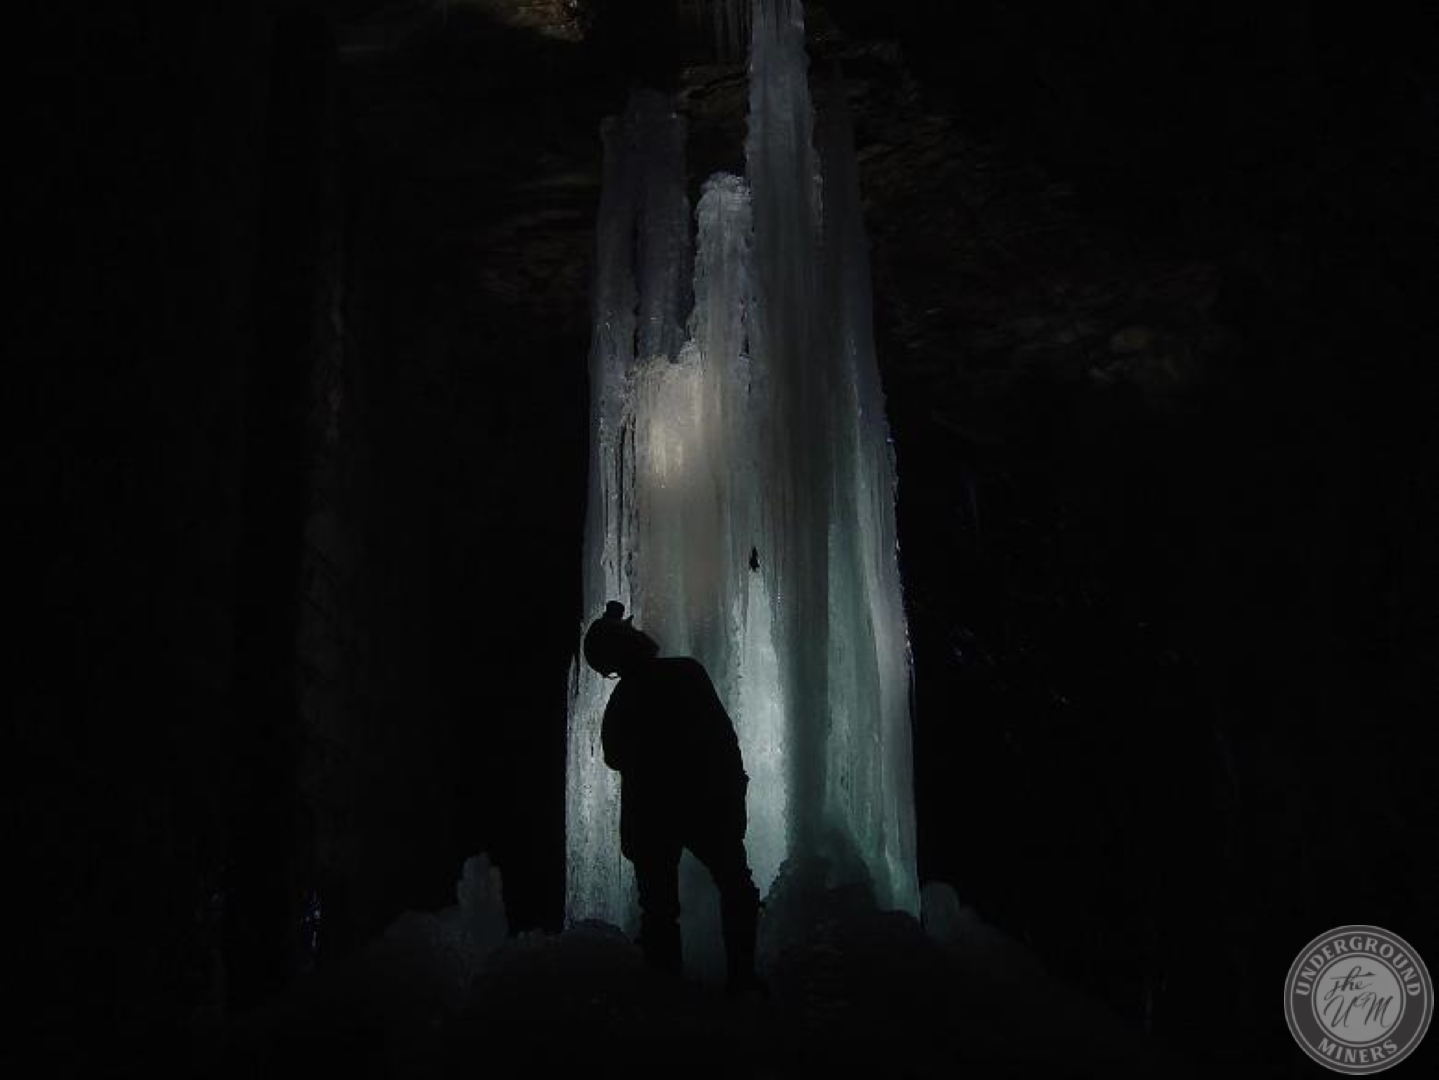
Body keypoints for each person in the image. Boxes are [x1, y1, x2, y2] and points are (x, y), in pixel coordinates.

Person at [583, 600, 765, 994]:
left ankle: (668, 990)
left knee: (661, 911)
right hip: (702, 806)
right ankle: (741, 980)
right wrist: (734, 791)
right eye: (629, 631)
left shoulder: (624, 700)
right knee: (734, 887)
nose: (638, 631)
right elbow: (723, 740)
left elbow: (615, 756)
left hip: (652, 817)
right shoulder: (684, 674)